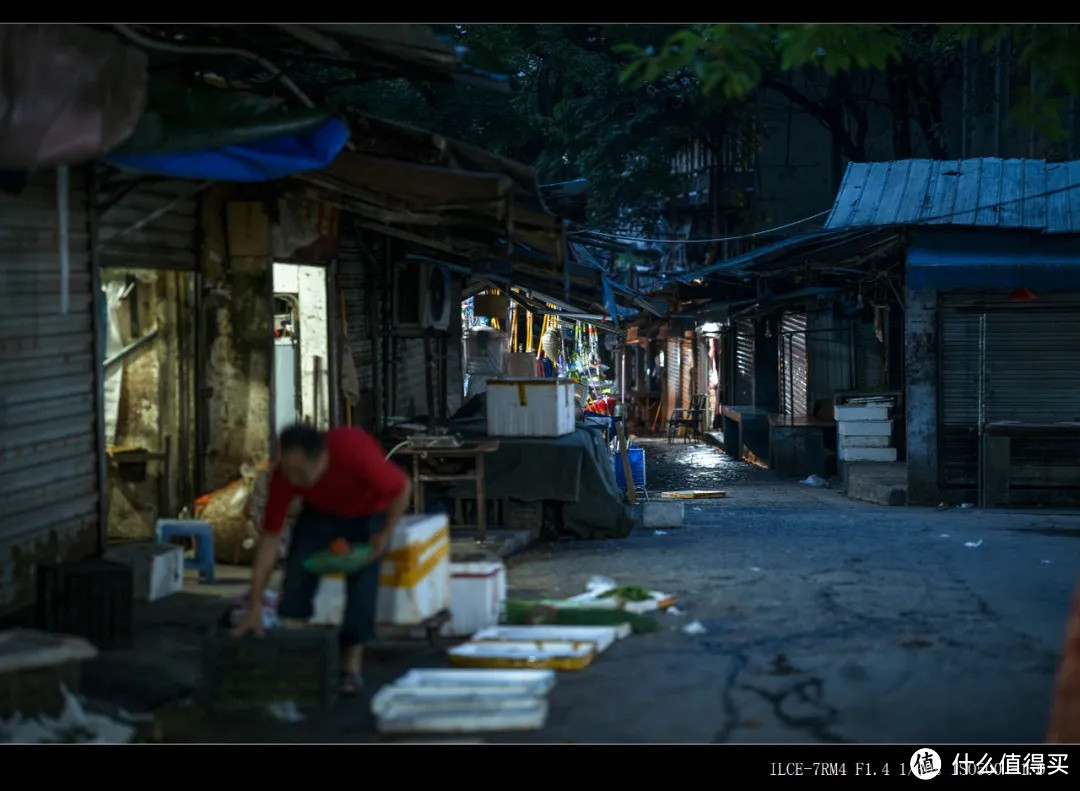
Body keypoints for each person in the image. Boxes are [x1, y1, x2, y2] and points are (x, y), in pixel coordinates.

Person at [233, 424, 412, 696]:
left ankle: (350, 667)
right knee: (296, 572)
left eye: (301, 474)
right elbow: (269, 541)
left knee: (362, 585)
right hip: (319, 514)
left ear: (321, 459)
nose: (293, 480)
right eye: (289, 472)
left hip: (367, 515)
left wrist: (384, 535)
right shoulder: (285, 476)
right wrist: (255, 605)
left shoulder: (354, 453)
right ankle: (295, 653)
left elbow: (402, 487)